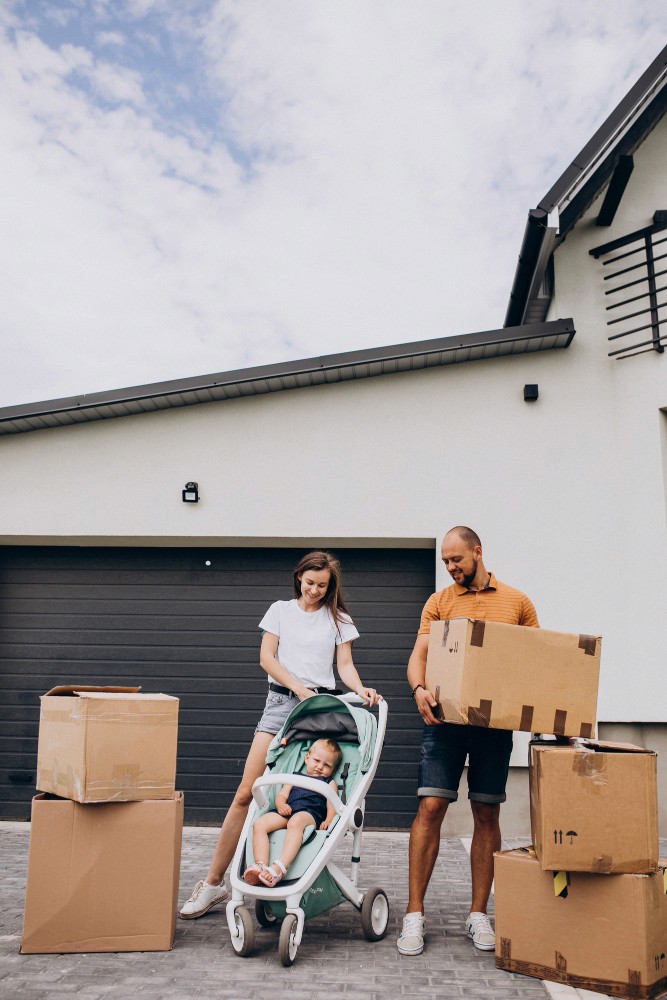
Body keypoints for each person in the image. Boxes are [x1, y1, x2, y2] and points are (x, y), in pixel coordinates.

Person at [180, 550, 380, 919]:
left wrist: (362, 690)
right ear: (298, 578)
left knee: (311, 783)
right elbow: (267, 658)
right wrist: (298, 689)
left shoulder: (339, 619)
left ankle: (283, 869)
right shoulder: (280, 611)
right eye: (309, 583)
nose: (315, 591)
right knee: (247, 793)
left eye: (322, 585)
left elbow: (345, 665)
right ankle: (212, 884)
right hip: (280, 704)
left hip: (319, 711)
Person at [397, 526, 538, 957]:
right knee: (431, 806)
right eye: (445, 561)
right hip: (444, 720)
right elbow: (418, 656)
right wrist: (419, 689)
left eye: (456, 559)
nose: (450, 568)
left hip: (494, 727)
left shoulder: (517, 603)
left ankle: (478, 914)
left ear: (477, 552)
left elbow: (536, 663)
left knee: (486, 813)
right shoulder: (439, 602)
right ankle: (414, 915)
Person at [242, 738, 342, 888]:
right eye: (316, 760)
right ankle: (260, 865)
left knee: (296, 822)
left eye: (327, 765)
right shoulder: (295, 777)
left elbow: (332, 804)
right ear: (307, 757)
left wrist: (328, 819)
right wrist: (281, 805)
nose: (320, 767)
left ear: (332, 769)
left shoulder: (328, 782)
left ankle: (280, 867)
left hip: (309, 814)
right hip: (287, 811)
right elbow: (282, 795)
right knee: (260, 824)